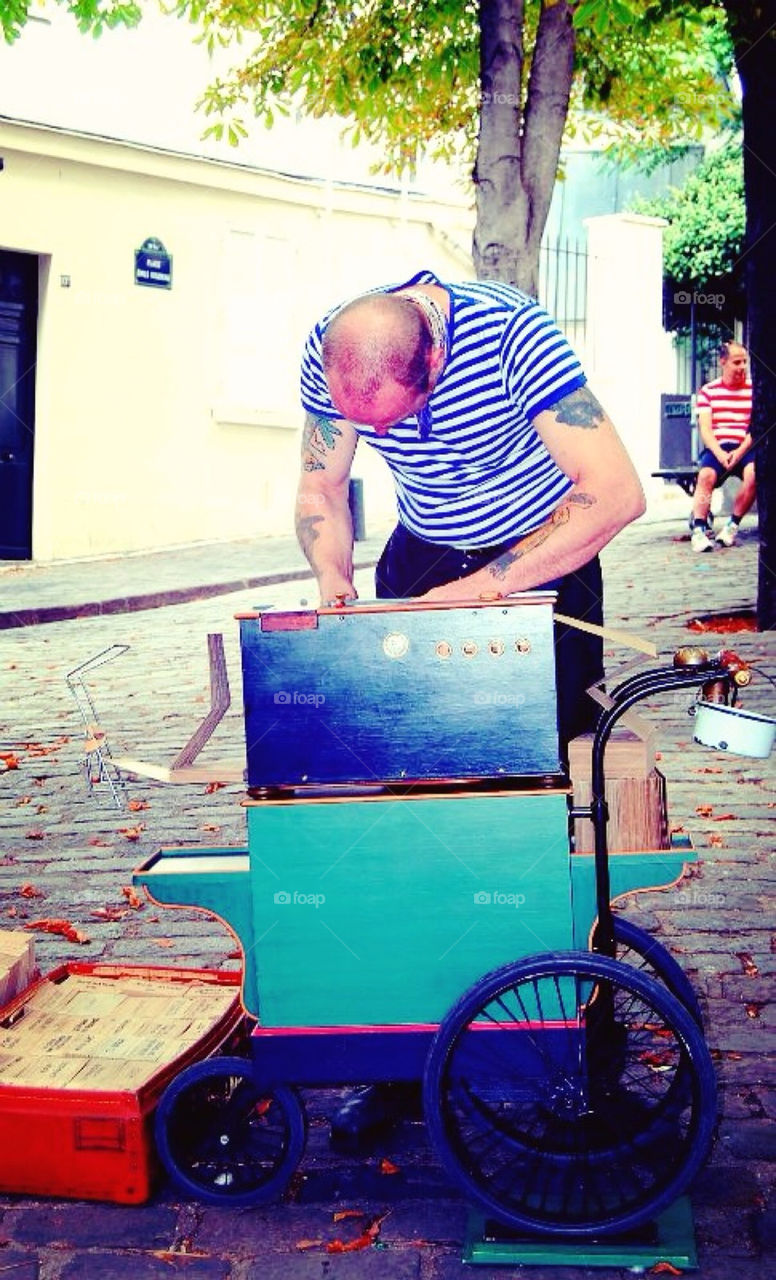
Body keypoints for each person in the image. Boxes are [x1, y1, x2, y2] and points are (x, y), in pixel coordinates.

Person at [295, 269, 645, 1149]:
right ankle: (404, 1057)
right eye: (367, 428)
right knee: (401, 804)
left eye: (396, 420)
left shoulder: (515, 339)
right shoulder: (335, 349)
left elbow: (616, 494)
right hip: (419, 563)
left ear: (437, 357)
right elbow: (322, 489)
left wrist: (486, 588)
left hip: (542, 559)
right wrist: (333, 573)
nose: (383, 438)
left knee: (537, 806)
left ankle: (584, 1055)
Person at [689, 341, 755, 553]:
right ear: (723, 362)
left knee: (755, 474)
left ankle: (731, 527)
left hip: (745, 446)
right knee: (705, 476)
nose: (742, 366)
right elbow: (705, 429)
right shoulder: (708, 391)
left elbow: (756, 428)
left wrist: (739, 452)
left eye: (744, 362)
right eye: (737, 362)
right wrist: (720, 454)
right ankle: (699, 530)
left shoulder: (754, 390)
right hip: (718, 447)